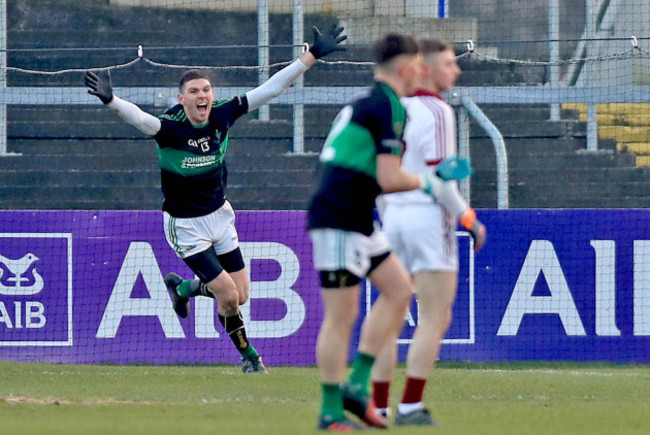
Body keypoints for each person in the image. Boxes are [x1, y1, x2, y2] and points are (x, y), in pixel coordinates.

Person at [84, 25, 347, 374]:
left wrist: (310, 56)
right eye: (194, 91)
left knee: (242, 295)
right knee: (227, 295)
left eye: (206, 89)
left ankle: (185, 288)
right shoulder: (171, 129)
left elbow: (272, 88)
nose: (201, 95)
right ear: (182, 99)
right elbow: (141, 120)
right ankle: (250, 357)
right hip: (186, 226)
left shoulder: (223, 114)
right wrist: (111, 100)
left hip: (220, 217)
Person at [307, 33, 471, 432]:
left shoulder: (374, 102)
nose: (422, 71)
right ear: (403, 68)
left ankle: (357, 387)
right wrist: (430, 183)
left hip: (357, 213)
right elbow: (388, 178)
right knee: (341, 317)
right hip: (340, 215)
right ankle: (331, 413)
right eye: (417, 64)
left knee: (399, 291)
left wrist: (422, 180)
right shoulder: (389, 107)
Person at [370, 38, 486, 426]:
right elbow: (440, 181)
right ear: (426, 68)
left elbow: (381, 173)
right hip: (426, 217)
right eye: (450, 64)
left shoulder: (392, 106)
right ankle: (410, 407)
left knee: (389, 313)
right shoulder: (437, 110)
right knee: (435, 314)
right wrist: (467, 217)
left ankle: (379, 405)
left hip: (391, 217)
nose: (456, 71)